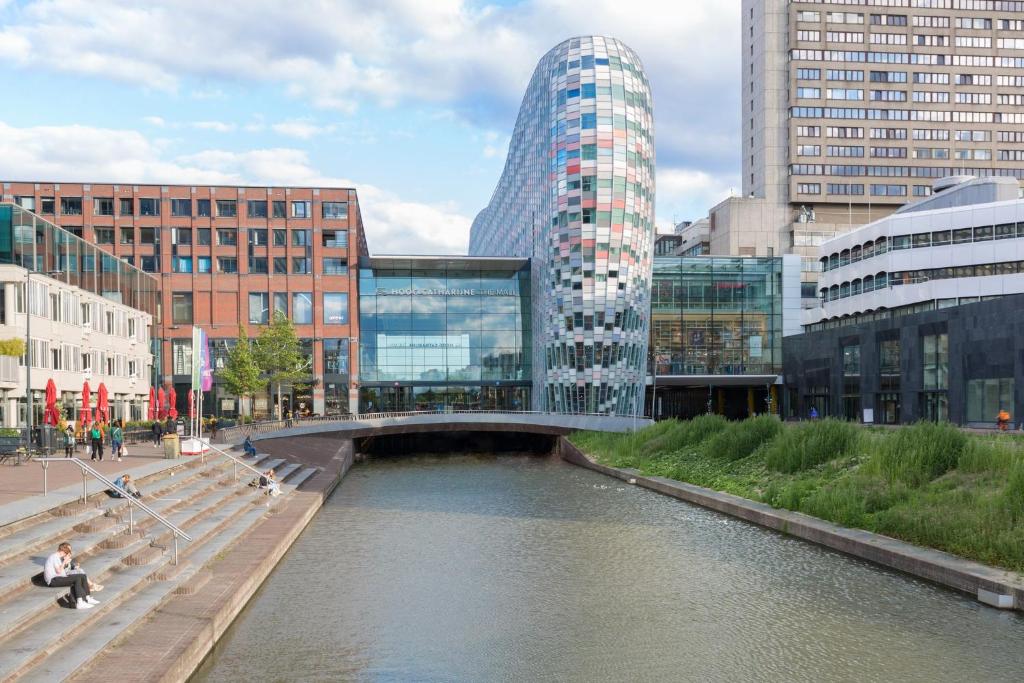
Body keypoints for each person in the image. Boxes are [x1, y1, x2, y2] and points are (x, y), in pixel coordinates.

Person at [43, 542, 100, 609]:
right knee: (77, 579)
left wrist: (66, 564)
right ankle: (80, 602)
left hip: (58, 577)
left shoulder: (57, 557)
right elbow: (58, 571)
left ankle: (87, 597)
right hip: (53, 580)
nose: (64, 555)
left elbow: (61, 572)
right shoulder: (54, 557)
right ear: (62, 551)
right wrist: (65, 562)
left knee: (82, 576)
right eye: (65, 554)